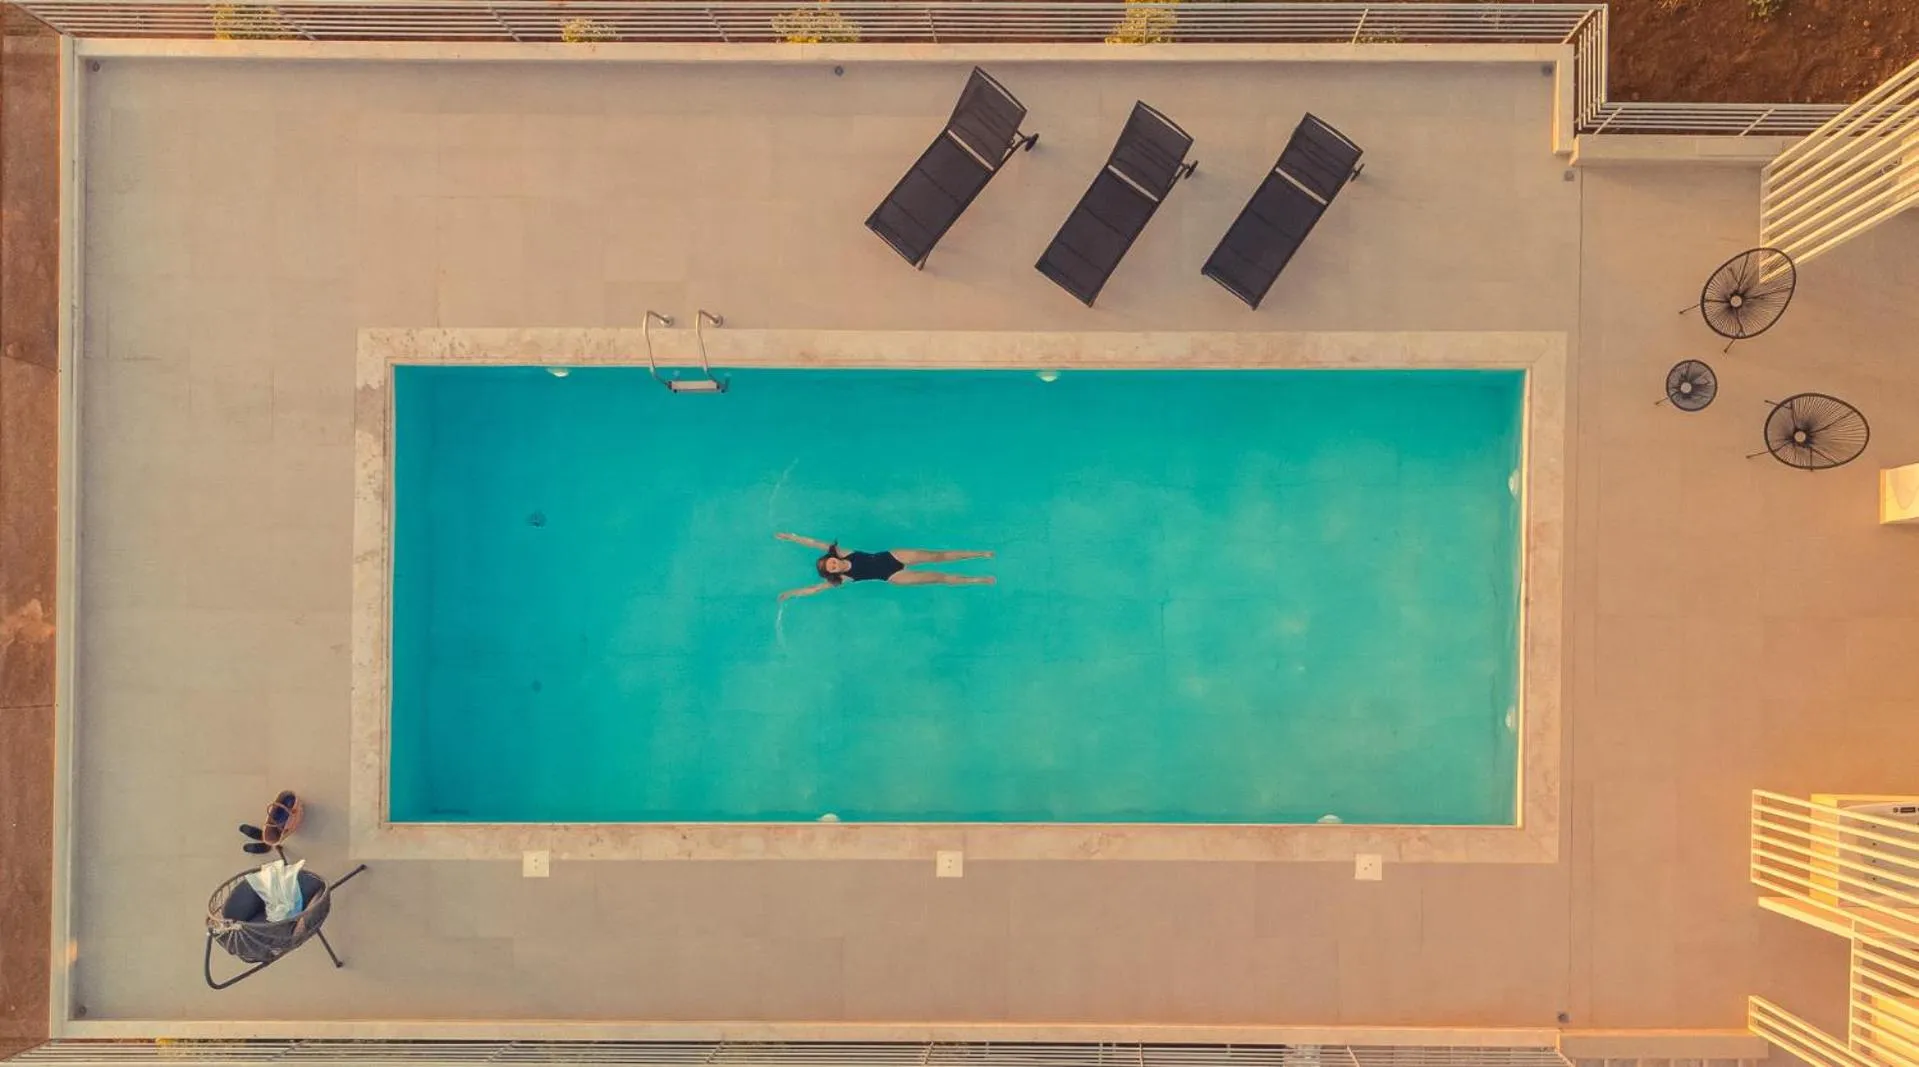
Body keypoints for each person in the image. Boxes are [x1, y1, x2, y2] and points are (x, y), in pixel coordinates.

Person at [775, 532, 994, 600]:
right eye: (831, 568)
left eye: (830, 561)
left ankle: (980, 554)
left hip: (892, 556)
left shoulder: (841, 551)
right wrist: (791, 593)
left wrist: (790, 537)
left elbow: (813, 543)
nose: (833, 565)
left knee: (938, 556)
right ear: (833, 573)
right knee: (939, 578)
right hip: (892, 577)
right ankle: (978, 580)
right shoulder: (843, 579)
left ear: (831, 556)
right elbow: (814, 589)